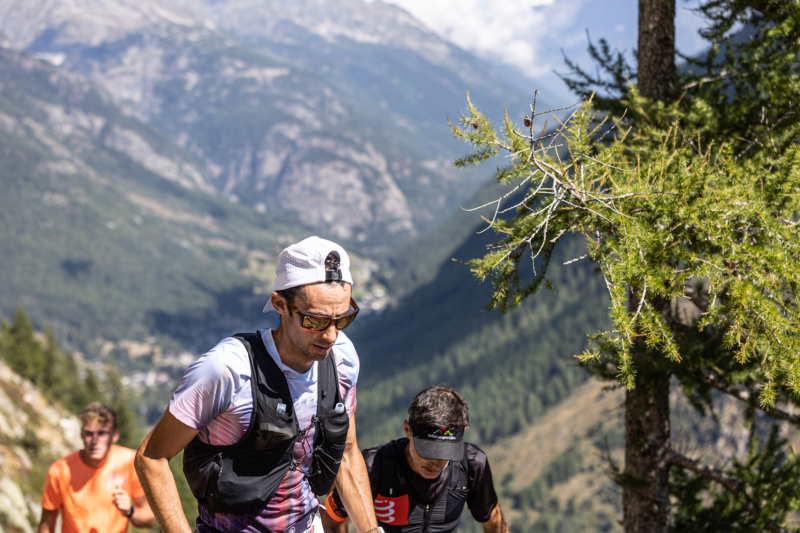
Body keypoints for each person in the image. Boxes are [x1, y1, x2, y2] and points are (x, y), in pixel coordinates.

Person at [136, 236, 381, 533]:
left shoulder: (341, 358)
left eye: (342, 319)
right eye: (315, 321)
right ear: (280, 304)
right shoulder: (227, 370)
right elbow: (152, 458)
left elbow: (348, 452)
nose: (331, 335)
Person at [321, 385, 508, 533]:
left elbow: (495, 525)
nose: (438, 464)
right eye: (429, 451)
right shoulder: (373, 467)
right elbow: (329, 521)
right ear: (407, 430)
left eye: (447, 454)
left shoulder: (473, 465)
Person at [38, 402, 156, 533]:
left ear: (115, 435)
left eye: (102, 433)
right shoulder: (60, 471)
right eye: (89, 433)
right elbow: (46, 526)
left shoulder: (130, 462)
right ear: (82, 434)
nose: (95, 441)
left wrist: (130, 511)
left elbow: (150, 518)